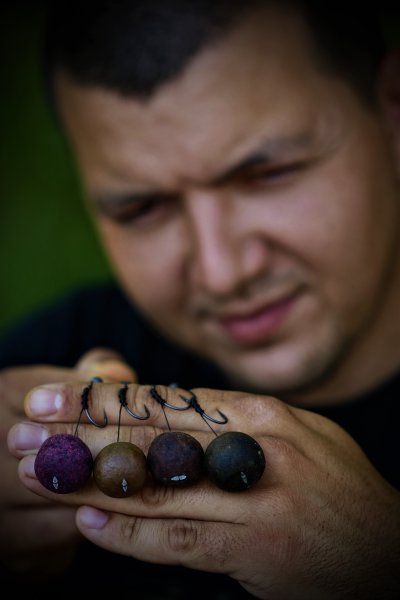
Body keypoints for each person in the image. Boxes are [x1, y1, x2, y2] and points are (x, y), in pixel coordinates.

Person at [2, 0, 400, 596]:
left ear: (393, 112)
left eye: (268, 174)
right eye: (142, 208)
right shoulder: (35, 386)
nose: (221, 275)